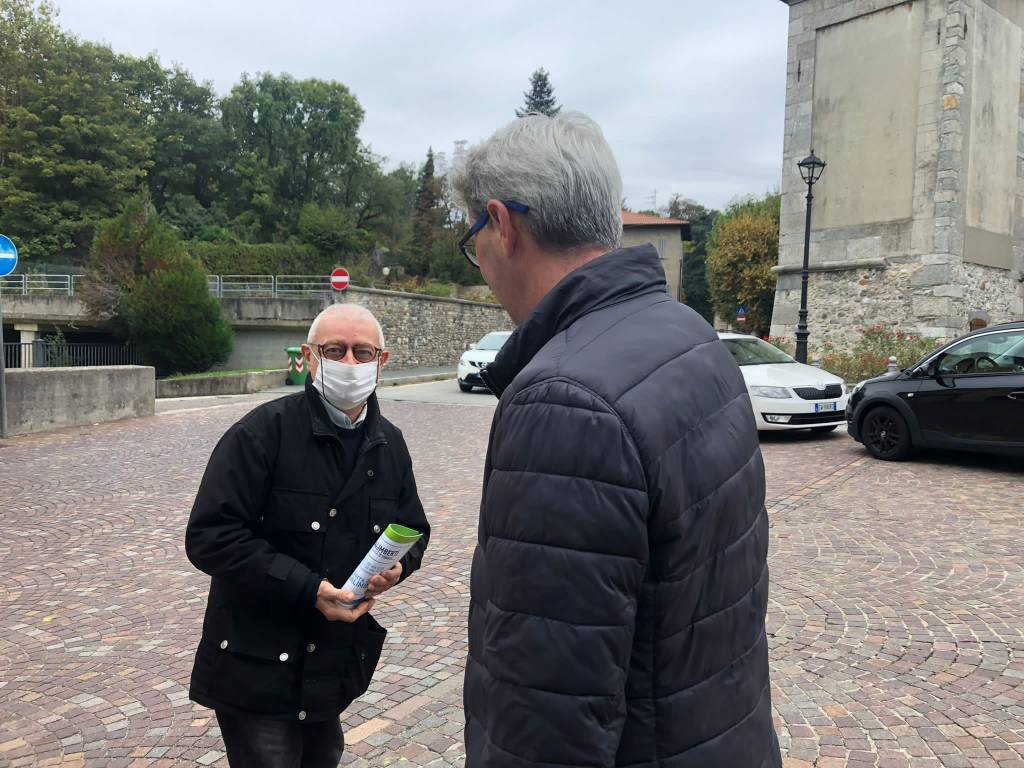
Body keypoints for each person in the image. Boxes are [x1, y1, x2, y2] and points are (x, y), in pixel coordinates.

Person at [451, 113, 782, 767]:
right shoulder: (688, 334)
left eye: (473, 239)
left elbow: (545, 716)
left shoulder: (564, 401)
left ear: (504, 224)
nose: (479, 259)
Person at [185, 304, 430, 768]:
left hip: (330, 661)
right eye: (335, 350)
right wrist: (308, 589)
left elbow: (414, 527)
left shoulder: (389, 443)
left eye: (363, 352)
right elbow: (210, 536)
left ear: (383, 360)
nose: (350, 364)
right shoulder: (262, 433)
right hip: (255, 660)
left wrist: (398, 567)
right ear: (309, 357)